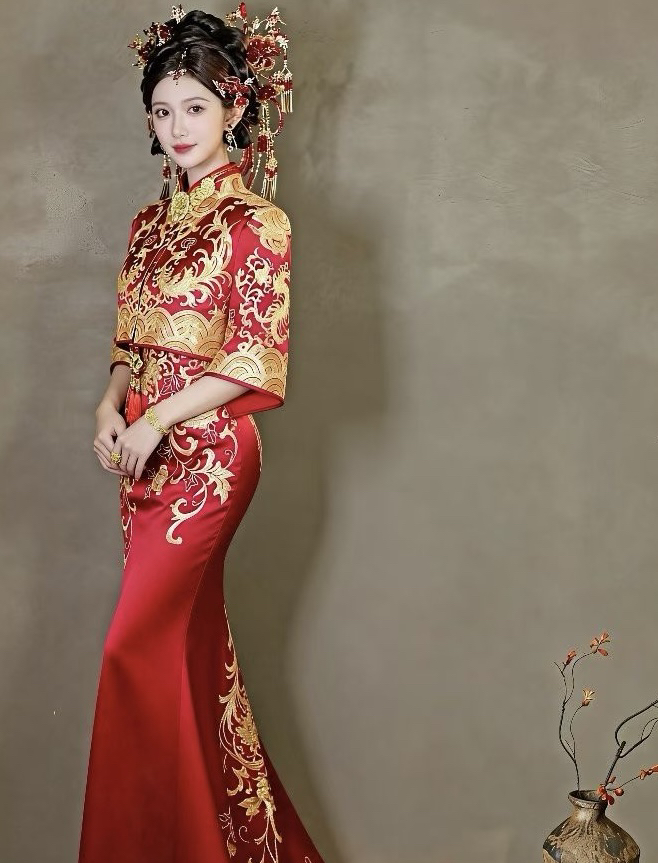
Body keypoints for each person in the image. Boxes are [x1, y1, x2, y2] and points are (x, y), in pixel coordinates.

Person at [78, 6, 323, 862]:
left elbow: (254, 356)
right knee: (187, 658)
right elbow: (129, 345)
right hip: (141, 458)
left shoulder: (259, 223)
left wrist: (155, 417)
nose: (178, 127)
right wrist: (111, 408)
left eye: (195, 107)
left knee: (134, 648)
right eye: (162, 110)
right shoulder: (148, 226)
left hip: (209, 461)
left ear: (234, 108)